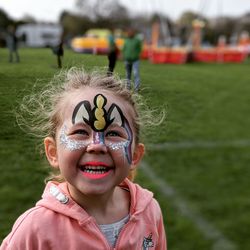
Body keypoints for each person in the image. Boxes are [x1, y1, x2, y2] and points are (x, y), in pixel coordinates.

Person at [0, 68, 166, 250]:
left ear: (135, 156)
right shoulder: (34, 230)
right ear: (53, 153)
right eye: (80, 132)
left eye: (113, 133)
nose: (97, 145)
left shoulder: (150, 212)